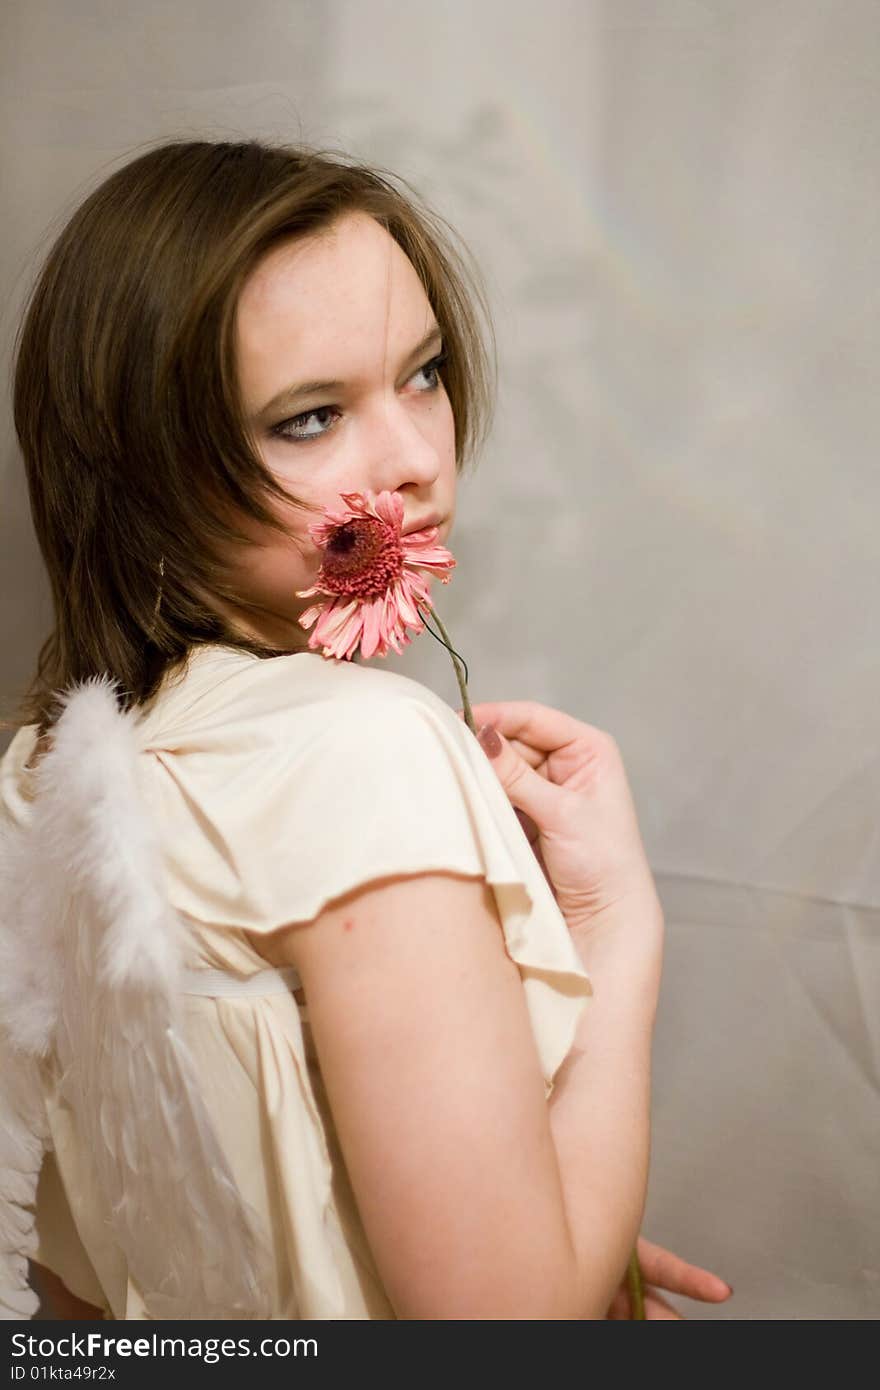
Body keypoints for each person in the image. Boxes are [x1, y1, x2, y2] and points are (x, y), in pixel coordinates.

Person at [0, 138, 732, 1320]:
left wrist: (522, 1213)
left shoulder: (45, 771)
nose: (413, 463)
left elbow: (106, 1284)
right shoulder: (362, 753)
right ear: (143, 473)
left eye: (425, 372)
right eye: (308, 418)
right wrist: (620, 933)